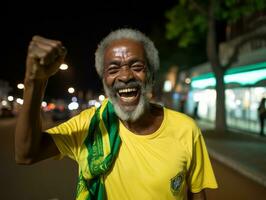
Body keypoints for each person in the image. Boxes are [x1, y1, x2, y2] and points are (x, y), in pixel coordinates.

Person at [15, 28, 218, 200]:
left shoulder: (186, 129)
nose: (125, 76)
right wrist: (35, 81)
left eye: (136, 66)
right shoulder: (88, 126)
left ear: (151, 75)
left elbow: (197, 194)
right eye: (113, 69)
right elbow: (26, 154)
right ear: (104, 81)